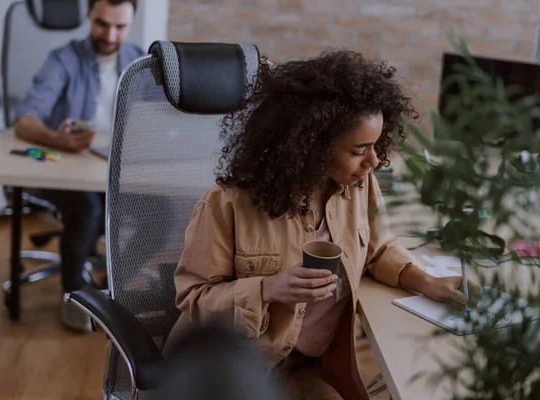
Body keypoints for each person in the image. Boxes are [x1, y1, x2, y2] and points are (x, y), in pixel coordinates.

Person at [164, 50, 480, 399]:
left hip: (314, 363)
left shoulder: (358, 184)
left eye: (376, 146)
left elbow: (378, 249)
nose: (373, 161)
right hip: (237, 372)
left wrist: (428, 282)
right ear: (313, 146)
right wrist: (268, 289)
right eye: (360, 150)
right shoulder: (226, 205)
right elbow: (194, 299)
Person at [14, 0, 143, 332]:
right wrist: (58, 141)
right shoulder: (64, 59)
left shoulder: (137, 61)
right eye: (102, 24)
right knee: (88, 210)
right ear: (88, 15)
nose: (110, 34)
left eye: (120, 27)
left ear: (131, 24)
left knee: (167, 213)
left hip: (115, 171)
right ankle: (74, 293)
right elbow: (24, 121)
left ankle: (111, 283)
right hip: (63, 170)